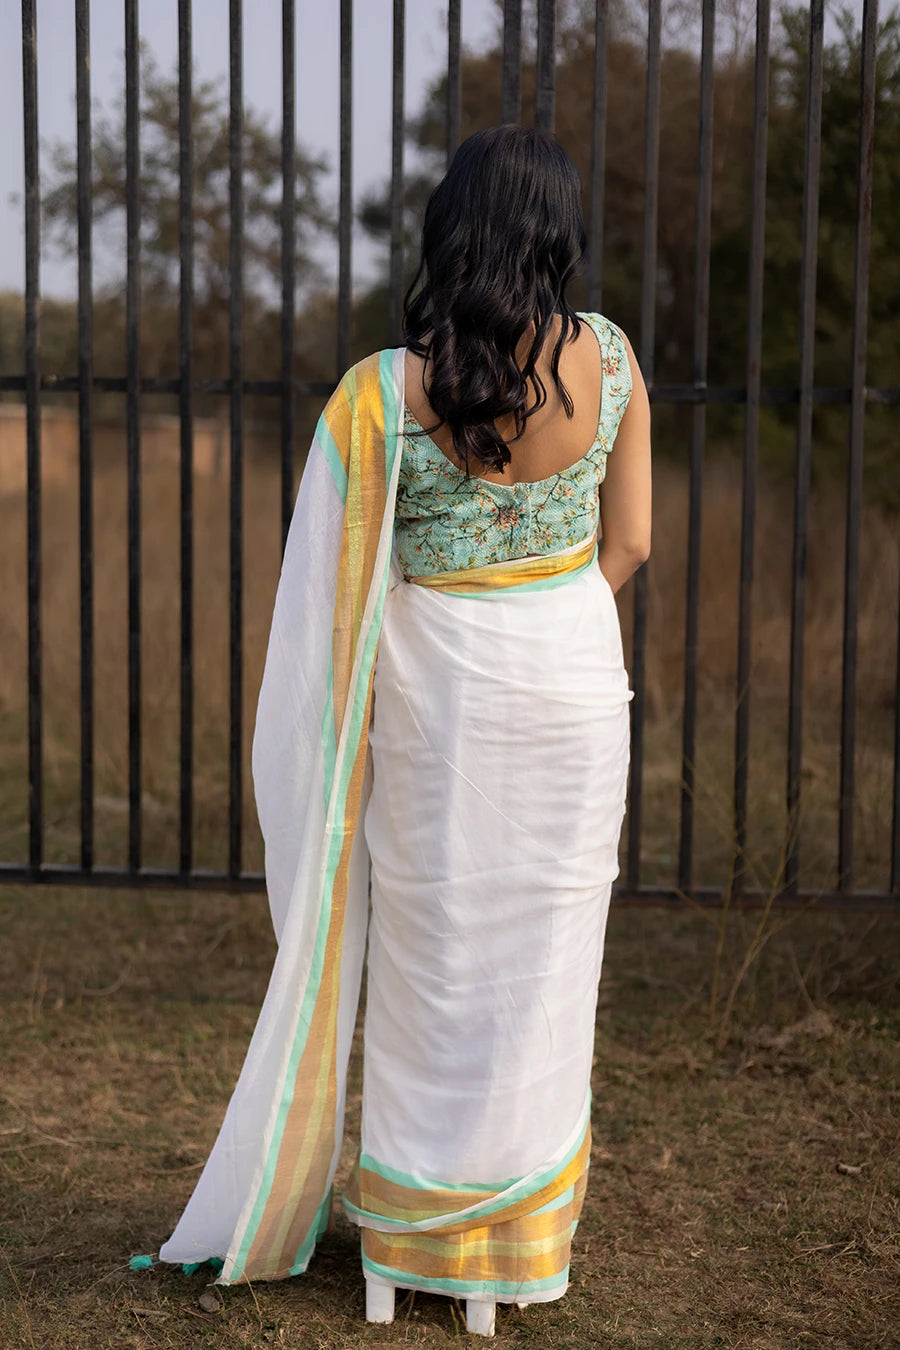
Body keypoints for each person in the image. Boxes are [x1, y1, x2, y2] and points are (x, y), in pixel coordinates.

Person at [144, 125, 651, 1338]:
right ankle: (513, 1247)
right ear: (557, 234)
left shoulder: (390, 389)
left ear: (453, 233)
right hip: (576, 691)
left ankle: (410, 1245)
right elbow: (626, 547)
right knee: (544, 975)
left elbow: (330, 593)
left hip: (443, 707)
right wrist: (541, 621)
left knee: (432, 967)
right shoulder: (616, 363)